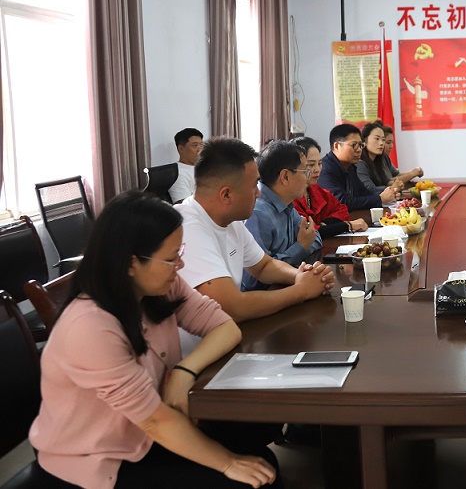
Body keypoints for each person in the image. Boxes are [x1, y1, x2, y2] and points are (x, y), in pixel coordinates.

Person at [29, 191, 280, 488]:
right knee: (249, 479)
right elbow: (154, 421)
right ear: (131, 263)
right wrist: (227, 462)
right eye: (171, 258)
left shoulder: (162, 286)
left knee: (260, 447)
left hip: (146, 433)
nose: (180, 266)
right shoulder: (90, 327)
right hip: (98, 458)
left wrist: (184, 372)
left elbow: (226, 327)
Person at [178, 137, 334, 327]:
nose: (259, 193)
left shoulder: (231, 221)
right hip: (200, 342)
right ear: (226, 195)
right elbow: (233, 307)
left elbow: (264, 266)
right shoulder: (186, 228)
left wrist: (303, 275)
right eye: (254, 185)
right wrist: (302, 290)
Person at [242, 140, 325, 292]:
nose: (307, 178)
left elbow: (314, 237)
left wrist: (300, 247)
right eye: (304, 171)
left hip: (287, 284)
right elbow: (253, 280)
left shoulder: (286, 204)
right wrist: (300, 247)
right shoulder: (258, 213)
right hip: (265, 298)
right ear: (285, 177)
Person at [292, 136, 368, 239]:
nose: (317, 169)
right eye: (311, 165)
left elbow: (342, 210)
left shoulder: (315, 189)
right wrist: (347, 226)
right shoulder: (290, 196)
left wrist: (324, 225)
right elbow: (309, 231)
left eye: (319, 163)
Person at [317, 124, 399, 211]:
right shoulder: (325, 169)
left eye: (360, 145)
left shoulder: (350, 166)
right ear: (337, 146)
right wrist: (380, 198)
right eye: (354, 145)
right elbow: (342, 202)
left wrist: (388, 194)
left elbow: (363, 193)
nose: (359, 150)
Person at [356, 122, 404, 196]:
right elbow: (370, 189)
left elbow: (386, 181)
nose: (381, 143)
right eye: (377, 139)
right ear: (364, 141)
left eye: (383, 139)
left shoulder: (379, 160)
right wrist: (392, 187)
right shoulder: (359, 162)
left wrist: (397, 184)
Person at [168, 128, 203, 203]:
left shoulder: (205, 167)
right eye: (195, 145)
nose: (199, 149)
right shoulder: (177, 174)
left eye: (201, 145)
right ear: (181, 149)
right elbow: (184, 205)